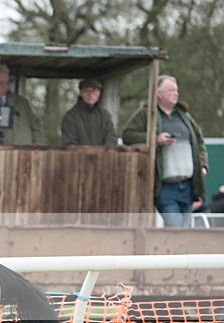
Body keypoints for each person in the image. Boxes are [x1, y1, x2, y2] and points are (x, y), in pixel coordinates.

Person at [122, 75, 208, 227]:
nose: (176, 93)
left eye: (176, 90)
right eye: (171, 90)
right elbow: (127, 135)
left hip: (188, 185)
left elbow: (199, 141)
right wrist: (155, 139)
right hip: (165, 187)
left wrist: (203, 166)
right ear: (158, 93)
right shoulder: (147, 114)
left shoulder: (184, 116)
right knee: (176, 230)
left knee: (185, 231)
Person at [60, 79, 118, 147]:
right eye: (86, 91)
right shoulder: (70, 117)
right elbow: (69, 143)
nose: (90, 94)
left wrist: (103, 154)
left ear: (99, 93)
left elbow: (111, 140)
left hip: (104, 156)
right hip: (78, 157)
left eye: (94, 91)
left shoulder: (105, 116)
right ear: (81, 93)